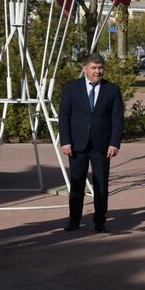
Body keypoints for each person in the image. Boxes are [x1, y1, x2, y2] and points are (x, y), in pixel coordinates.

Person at [58, 53, 124, 233]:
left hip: (102, 146)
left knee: (101, 185)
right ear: (85, 69)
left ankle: (100, 221)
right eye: (94, 68)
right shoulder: (72, 88)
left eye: (100, 67)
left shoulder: (112, 89)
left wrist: (114, 143)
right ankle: (74, 220)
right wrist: (65, 141)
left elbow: (117, 119)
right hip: (77, 145)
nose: (98, 71)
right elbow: (64, 116)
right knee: (77, 184)